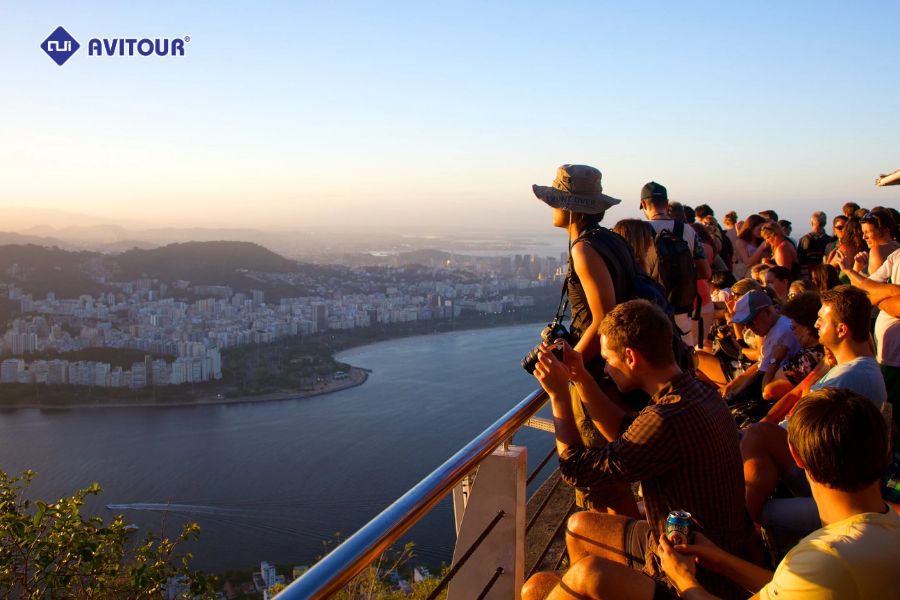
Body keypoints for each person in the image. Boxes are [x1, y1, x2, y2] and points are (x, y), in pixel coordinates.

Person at [523, 300, 759, 600]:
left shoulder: (665, 419)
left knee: (535, 588)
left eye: (608, 359)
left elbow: (575, 469)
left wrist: (558, 396)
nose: (606, 370)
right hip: (705, 541)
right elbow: (624, 430)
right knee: (578, 526)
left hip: (695, 571)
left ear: (631, 357)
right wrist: (579, 376)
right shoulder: (694, 392)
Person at [658, 387, 900, 600]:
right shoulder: (887, 527)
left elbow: (811, 576)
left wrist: (683, 580)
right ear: (885, 451)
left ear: (796, 457)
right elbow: (785, 587)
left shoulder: (826, 558)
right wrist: (721, 560)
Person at [532, 163, 640, 516]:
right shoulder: (611, 240)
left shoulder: (583, 249)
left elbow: (604, 317)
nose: (553, 207)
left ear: (572, 208)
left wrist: (571, 366)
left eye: (557, 201)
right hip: (609, 371)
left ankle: (621, 558)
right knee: (611, 482)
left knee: (602, 484)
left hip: (596, 375)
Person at [740, 285, 887, 538]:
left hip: (831, 485)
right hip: (827, 469)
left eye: (821, 320)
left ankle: (734, 533)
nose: (816, 325)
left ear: (842, 329)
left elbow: (805, 437)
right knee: (752, 436)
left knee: (757, 436)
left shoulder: (849, 378)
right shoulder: (848, 366)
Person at [640, 182, 710, 346]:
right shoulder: (688, 231)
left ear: (643, 204)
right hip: (682, 312)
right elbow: (705, 273)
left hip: (652, 312)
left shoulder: (640, 231)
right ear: (666, 203)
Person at [837, 247, 900, 424]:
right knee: (887, 415)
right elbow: (864, 290)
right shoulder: (897, 255)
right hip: (887, 356)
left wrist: (878, 295)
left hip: (896, 359)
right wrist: (893, 290)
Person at [721, 290, 801, 403]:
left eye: (751, 322)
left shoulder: (781, 331)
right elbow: (761, 363)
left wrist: (732, 396)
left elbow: (760, 378)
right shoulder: (775, 327)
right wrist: (733, 385)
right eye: (745, 324)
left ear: (767, 311)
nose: (749, 328)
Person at [855, 208, 900, 274]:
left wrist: (852, 269)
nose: (864, 237)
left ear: (885, 230)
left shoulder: (877, 251)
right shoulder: (896, 247)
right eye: (863, 232)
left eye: (867, 232)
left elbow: (872, 284)